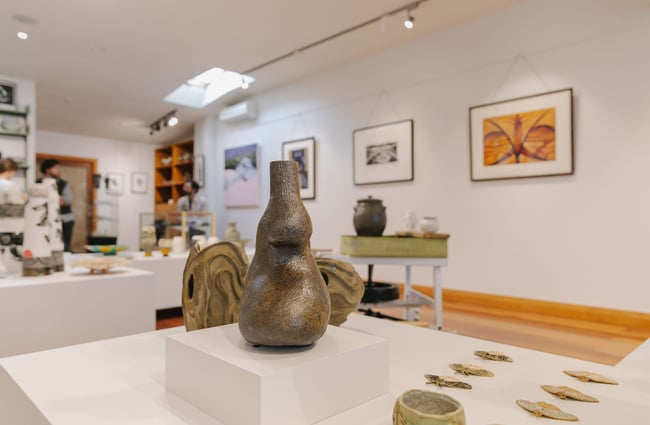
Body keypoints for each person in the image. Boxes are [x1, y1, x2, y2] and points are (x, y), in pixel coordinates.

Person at [37, 159, 74, 251]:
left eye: (58, 168)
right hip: (44, 218)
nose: (58, 170)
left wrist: (50, 200)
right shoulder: (38, 183)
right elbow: (36, 201)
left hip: (64, 218)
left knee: (64, 246)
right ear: (47, 169)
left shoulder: (63, 183)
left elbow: (67, 200)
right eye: (55, 168)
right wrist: (57, 198)